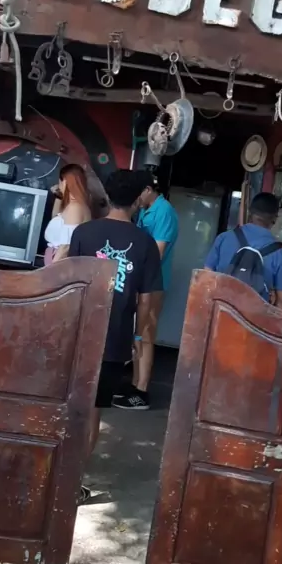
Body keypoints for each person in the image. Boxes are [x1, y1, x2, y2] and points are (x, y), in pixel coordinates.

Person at [68, 169, 162, 500]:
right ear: (138, 200)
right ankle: (72, 486)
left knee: (67, 408)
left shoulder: (83, 232)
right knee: (93, 412)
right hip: (114, 340)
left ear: (107, 195)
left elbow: (69, 282)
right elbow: (146, 300)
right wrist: (138, 337)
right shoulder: (145, 243)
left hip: (78, 333)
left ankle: (51, 479)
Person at [113, 170, 178, 411]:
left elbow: (156, 254)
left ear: (148, 190)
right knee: (135, 333)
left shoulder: (164, 212)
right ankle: (133, 384)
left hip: (153, 282)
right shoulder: (144, 210)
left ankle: (141, 391)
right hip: (139, 280)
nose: (135, 198)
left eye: (138, 193)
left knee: (146, 332)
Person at [205, 192, 282, 310]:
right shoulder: (280, 254)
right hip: (254, 317)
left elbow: (207, 277)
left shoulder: (224, 238)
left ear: (250, 213)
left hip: (221, 311)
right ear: (275, 218)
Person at [44, 164, 91, 264]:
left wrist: (49, 269)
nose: (59, 185)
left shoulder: (75, 208)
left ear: (65, 182)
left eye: (60, 182)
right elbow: (56, 218)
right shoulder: (76, 205)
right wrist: (59, 196)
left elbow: (66, 246)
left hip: (58, 266)